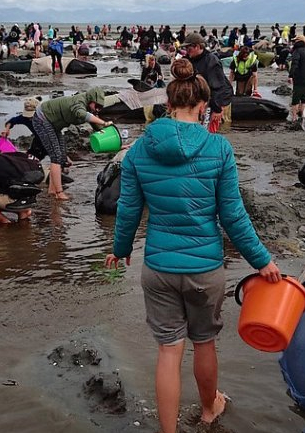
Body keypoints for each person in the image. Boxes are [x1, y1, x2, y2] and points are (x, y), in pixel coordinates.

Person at [105, 59, 281, 433]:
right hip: (204, 269)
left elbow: (128, 209)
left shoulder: (139, 150)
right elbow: (233, 216)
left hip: (158, 268)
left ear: (168, 104)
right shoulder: (218, 148)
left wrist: (120, 250)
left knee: (169, 352)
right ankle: (208, 410)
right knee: (204, 343)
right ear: (203, 106)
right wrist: (262, 261)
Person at [33, 88, 111, 200]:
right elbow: (81, 113)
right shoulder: (79, 102)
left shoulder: (89, 108)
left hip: (54, 123)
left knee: (61, 156)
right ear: (91, 100)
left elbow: (97, 128)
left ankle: (52, 190)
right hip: (42, 118)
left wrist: (114, 143)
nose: (97, 109)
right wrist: (104, 122)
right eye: (97, 106)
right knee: (56, 157)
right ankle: (59, 193)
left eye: (100, 107)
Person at [184, 32, 233, 131]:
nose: (187, 51)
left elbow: (217, 87)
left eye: (189, 48)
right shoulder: (188, 60)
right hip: (197, 101)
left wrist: (217, 109)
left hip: (214, 102)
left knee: (208, 131)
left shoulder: (211, 61)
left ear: (197, 46)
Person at [289, 35, 305, 127]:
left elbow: (294, 63)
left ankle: (294, 118)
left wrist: (291, 75)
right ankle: (302, 116)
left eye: (295, 40)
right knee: (304, 99)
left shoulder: (297, 51)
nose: (294, 42)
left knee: (295, 99)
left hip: (299, 78)